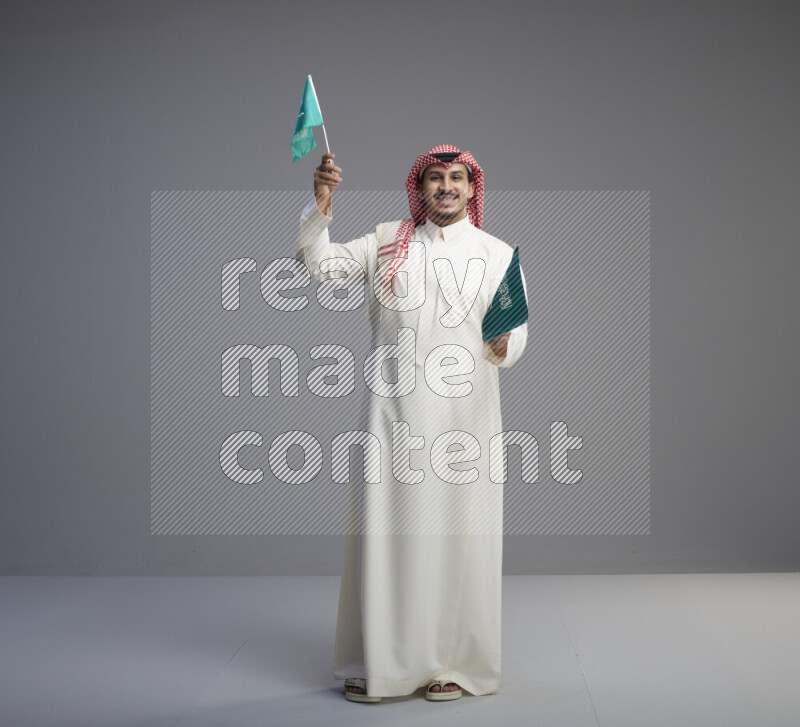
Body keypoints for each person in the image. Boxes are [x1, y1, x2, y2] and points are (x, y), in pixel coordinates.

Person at [294, 144, 528, 702]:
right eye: (434, 180)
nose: (445, 188)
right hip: (392, 417)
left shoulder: (498, 254)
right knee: (388, 537)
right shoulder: (387, 242)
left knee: (455, 538)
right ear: (419, 189)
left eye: (455, 179)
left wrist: (505, 342)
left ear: (472, 189)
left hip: (464, 423)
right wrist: (321, 205)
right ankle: (381, 660)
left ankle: (448, 665)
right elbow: (321, 265)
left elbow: (517, 329)